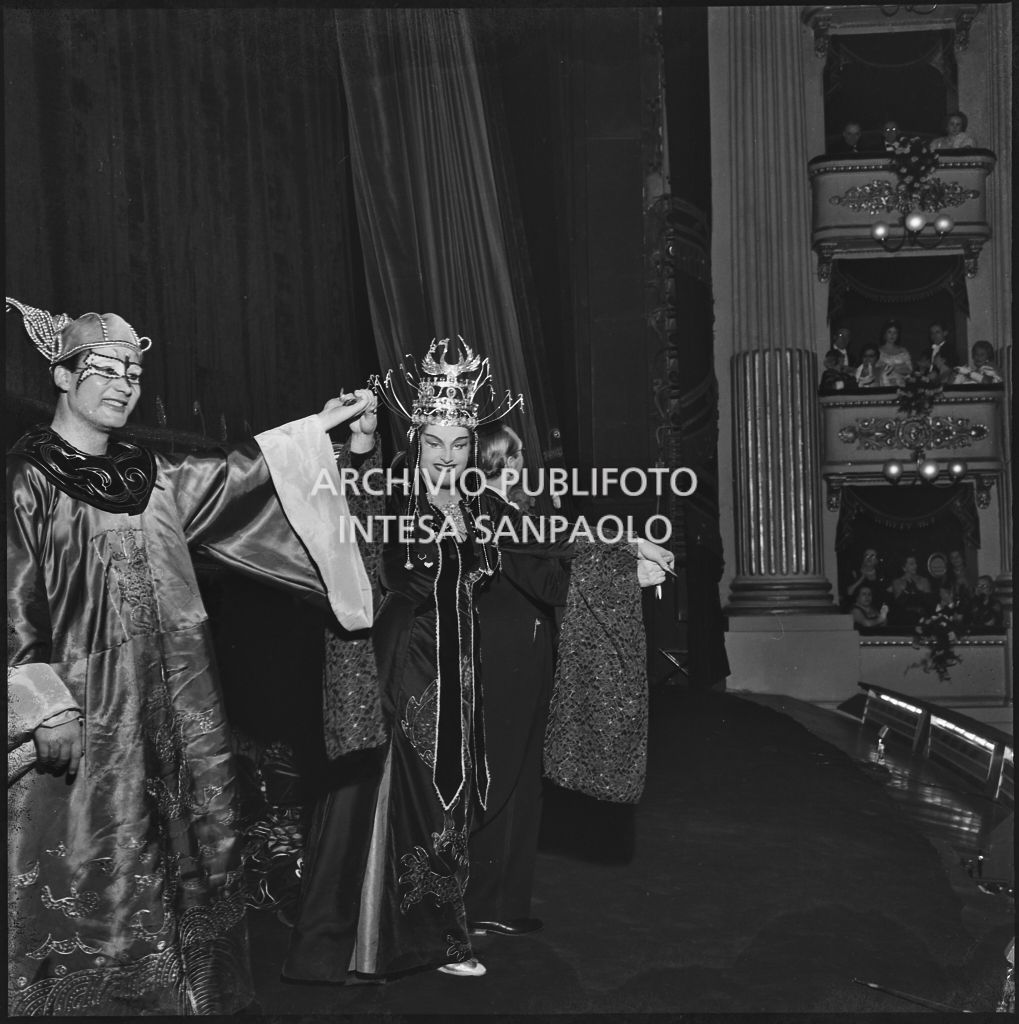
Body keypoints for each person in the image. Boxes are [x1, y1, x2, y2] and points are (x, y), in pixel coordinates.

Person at [5, 298, 375, 1016]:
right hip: (88, 712)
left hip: (178, 705)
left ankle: (187, 995)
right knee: (87, 858)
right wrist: (44, 703)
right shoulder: (28, 479)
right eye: (103, 369)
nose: (121, 384)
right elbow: (13, 596)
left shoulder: (157, 474)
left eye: (134, 372)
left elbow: (245, 473)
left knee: (187, 849)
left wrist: (321, 436)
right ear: (61, 375)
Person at [466, 423, 669, 939]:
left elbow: (553, 573)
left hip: (528, 660)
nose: (516, 465)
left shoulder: (513, 514)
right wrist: (630, 556)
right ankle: (482, 903)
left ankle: (503, 905)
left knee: (523, 782)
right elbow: (550, 579)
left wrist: (629, 565)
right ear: (493, 461)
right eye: (509, 456)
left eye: (517, 456)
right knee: (503, 777)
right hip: (501, 661)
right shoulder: (487, 514)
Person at [886, 554, 931, 628]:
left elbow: (929, 604)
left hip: (922, 620)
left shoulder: (924, 580)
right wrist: (907, 590)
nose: (915, 566)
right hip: (903, 621)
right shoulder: (897, 582)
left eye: (915, 563)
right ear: (904, 568)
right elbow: (899, 605)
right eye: (911, 564)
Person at [875, 319, 912, 387]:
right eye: (889, 332)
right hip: (884, 386)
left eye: (895, 333)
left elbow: (909, 370)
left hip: (900, 387)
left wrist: (894, 368)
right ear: (884, 334)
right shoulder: (878, 351)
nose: (892, 335)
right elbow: (875, 371)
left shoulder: (903, 351)